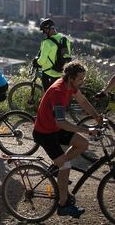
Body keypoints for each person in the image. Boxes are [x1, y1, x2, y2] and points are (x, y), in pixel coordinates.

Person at [32, 61, 102, 218]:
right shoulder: (58, 91)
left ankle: (55, 168)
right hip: (45, 133)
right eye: (80, 79)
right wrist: (87, 130)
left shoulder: (71, 86)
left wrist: (97, 117)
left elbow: (83, 101)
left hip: (55, 129)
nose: (82, 82)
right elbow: (61, 122)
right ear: (70, 77)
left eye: (83, 79)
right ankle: (63, 205)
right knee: (66, 165)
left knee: (82, 143)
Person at [34, 18, 72, 91]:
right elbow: (68, 54)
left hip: (50, 72)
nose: (44, 33)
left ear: (48, 29)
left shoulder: (47, 43)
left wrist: (36, 62)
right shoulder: (65, 39)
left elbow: (42, 61)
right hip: (62, 71)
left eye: (44, 30)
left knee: (48, 93)